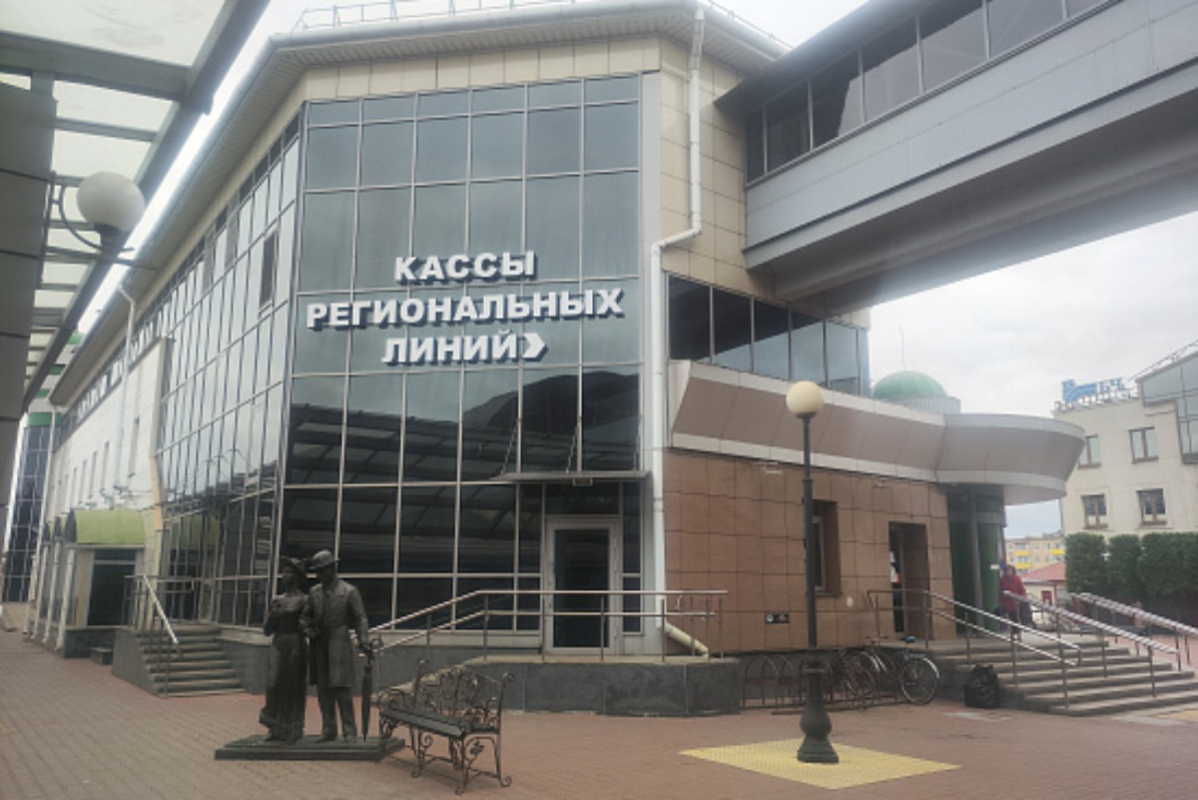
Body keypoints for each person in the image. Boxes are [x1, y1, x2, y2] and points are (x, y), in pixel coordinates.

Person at [301, 549, 370, 742]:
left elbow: (360, 618)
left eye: (322, 570)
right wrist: (309, 630)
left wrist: (364, 640)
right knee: (323, 689)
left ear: (332, 568)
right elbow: (304, 617)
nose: (319, 575)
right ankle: (329, 729)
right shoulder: (314, 592)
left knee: (342, 688)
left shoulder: (349, 591)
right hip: (319, 644)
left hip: (339, 641)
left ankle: (350, 731)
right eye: (317, 571)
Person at [260, 557, 309, 742]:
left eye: (288, 572)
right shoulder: (277, 600)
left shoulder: (305, 600)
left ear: (297, 576)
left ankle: (293, 729)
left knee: (292, 686)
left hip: (295, 642)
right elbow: (266, 630)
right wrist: (273, 616)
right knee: (273, 683)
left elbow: (307, 625)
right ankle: (273, 725)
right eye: (283, 572)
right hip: (278, 642)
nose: (284, 575)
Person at [998, 564, 1027, 633]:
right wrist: (1002, 602)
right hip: (1007, 602)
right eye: (1008, 571)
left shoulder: (1017, 578)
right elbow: (1001, 591)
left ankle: (1018, 628)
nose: (1009, 573)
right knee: (1010, 615)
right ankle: (1013, 629)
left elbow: (1021, 589)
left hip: (1016, 601)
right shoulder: (1003, 580)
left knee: (1017, 615)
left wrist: (1022, 597)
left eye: (1010, 571)